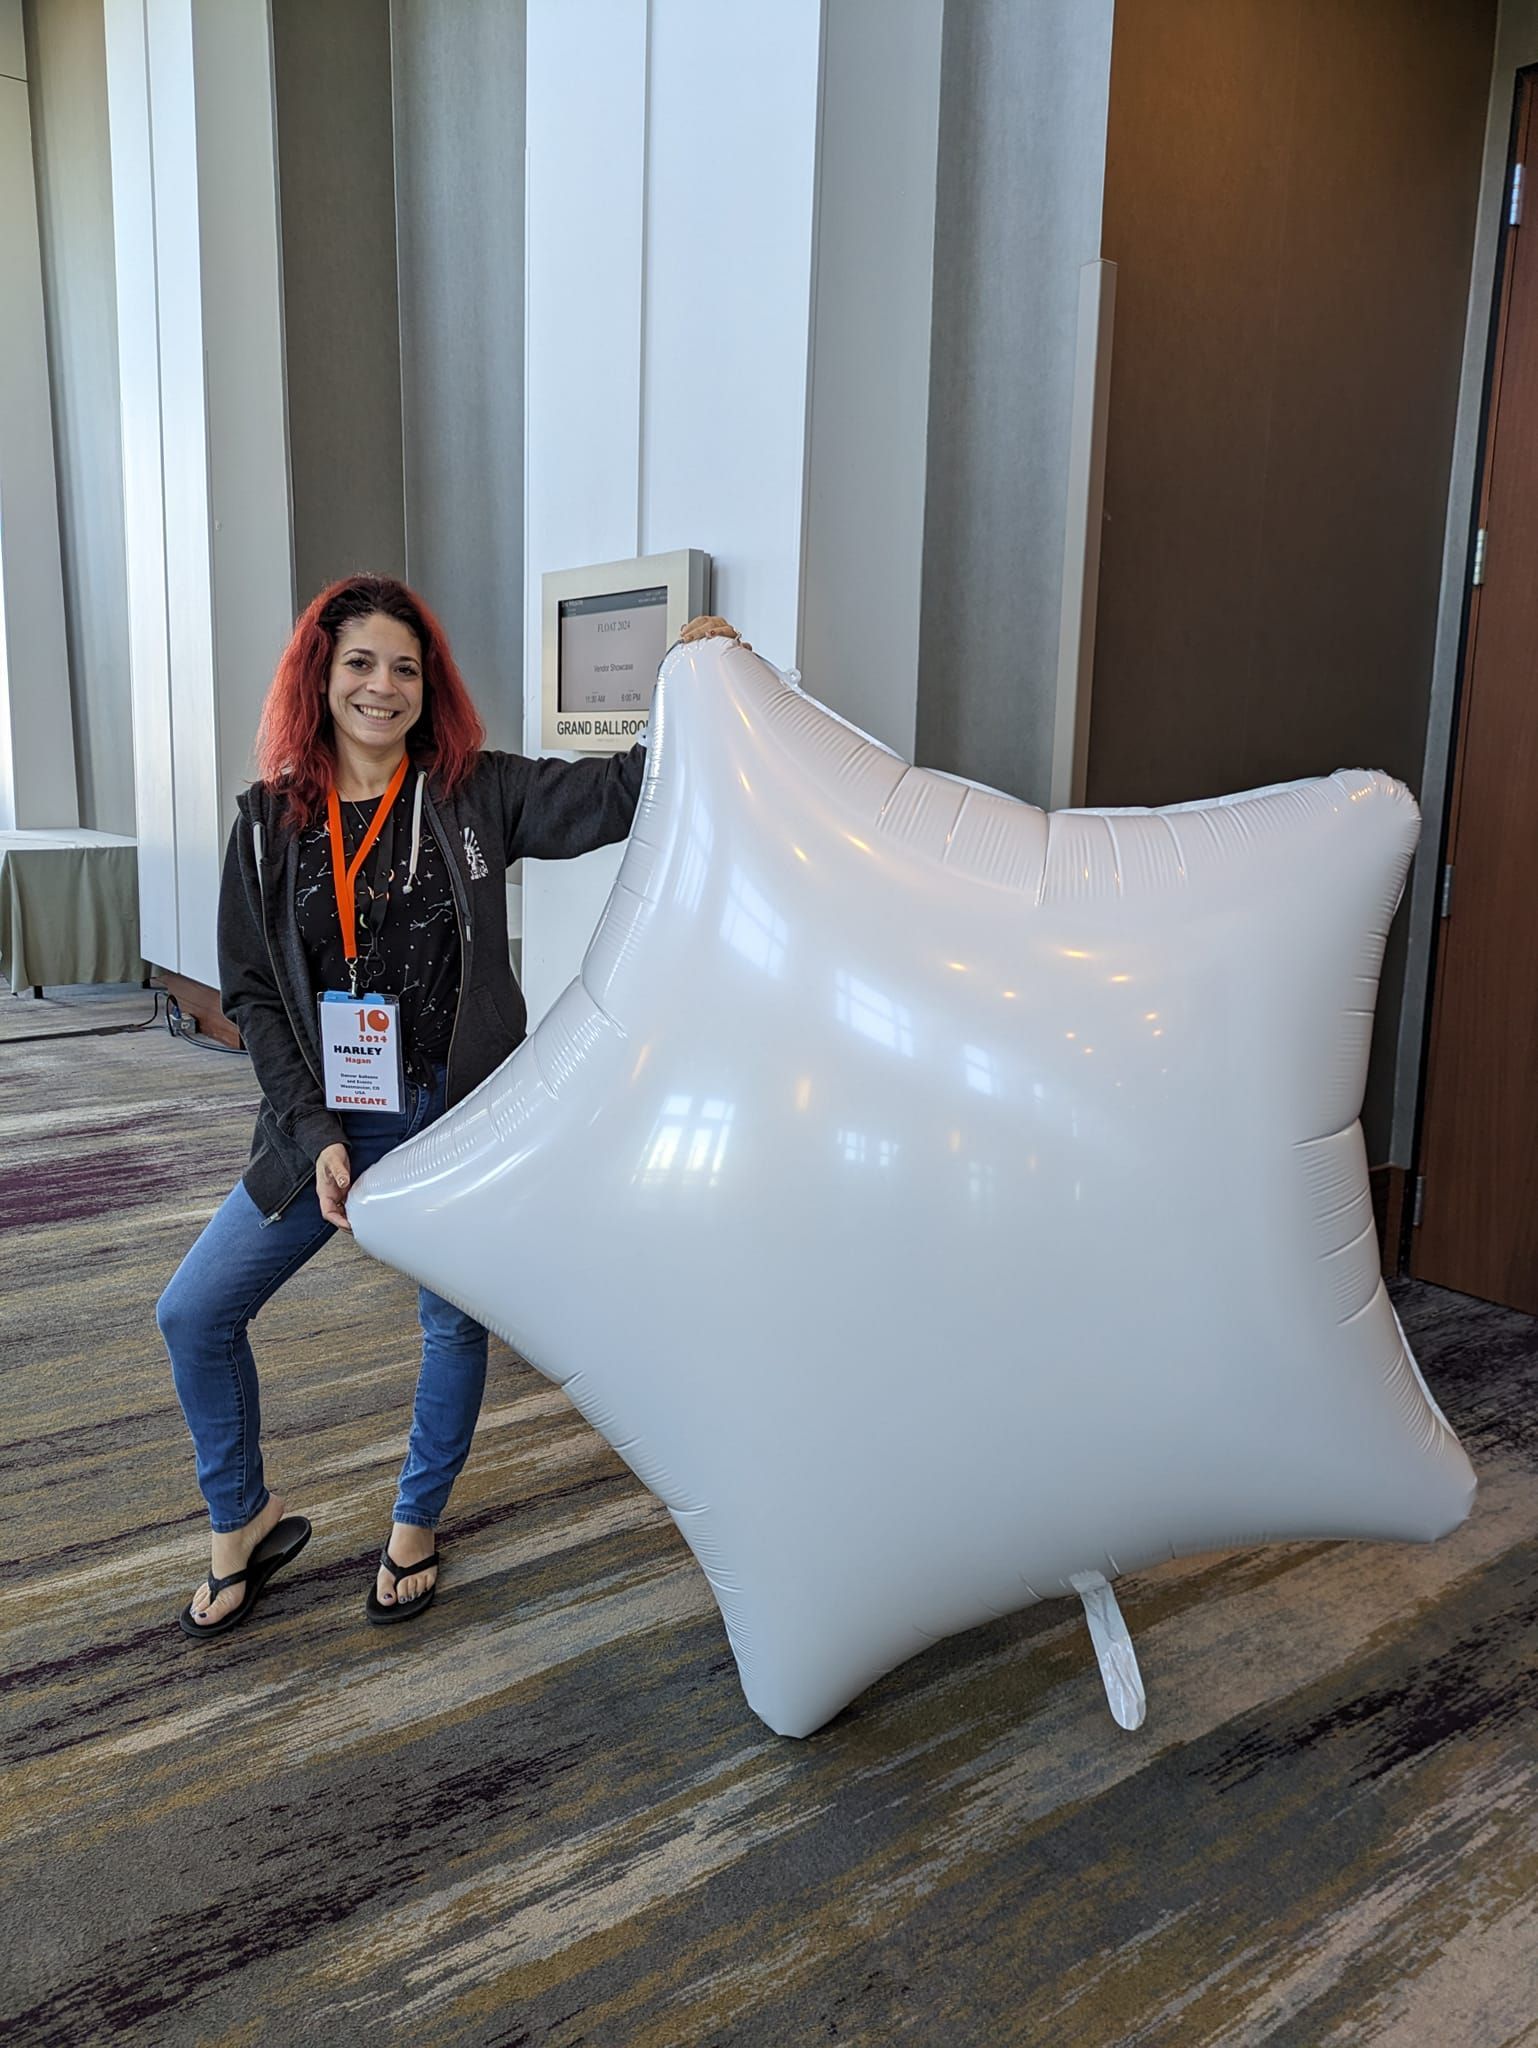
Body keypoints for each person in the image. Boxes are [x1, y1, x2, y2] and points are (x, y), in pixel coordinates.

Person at [157, 573, 737, 1638]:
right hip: (327, 1121)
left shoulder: (476, 793)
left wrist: (702, 675)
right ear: (319, 678)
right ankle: (241, 1518)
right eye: (360, 664)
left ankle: (417, 1522)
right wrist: (314, 1130)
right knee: (193, 1309)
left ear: (431, 686)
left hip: (456, 1113)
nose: (383, 687)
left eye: (405, 668)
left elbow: (626, 789)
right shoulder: (265, 828)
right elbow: (250, 996)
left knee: (449, 1321)